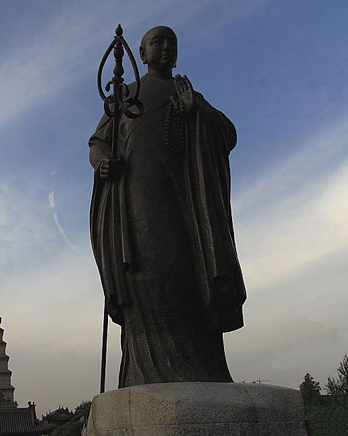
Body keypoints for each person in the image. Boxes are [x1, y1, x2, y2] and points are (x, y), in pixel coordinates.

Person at [89, 26, 246, 387]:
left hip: (187, 202)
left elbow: (229, 134)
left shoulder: (188, 94)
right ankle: (143, 370)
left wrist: (197, 114)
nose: (164, 48)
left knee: (188, 269)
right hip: (138, 199)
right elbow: (98, 142)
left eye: (170, 43)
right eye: (156, 42)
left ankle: (202, 368)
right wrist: (103, 164)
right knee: (146, 272)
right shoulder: (127, 96)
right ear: (142, 54)